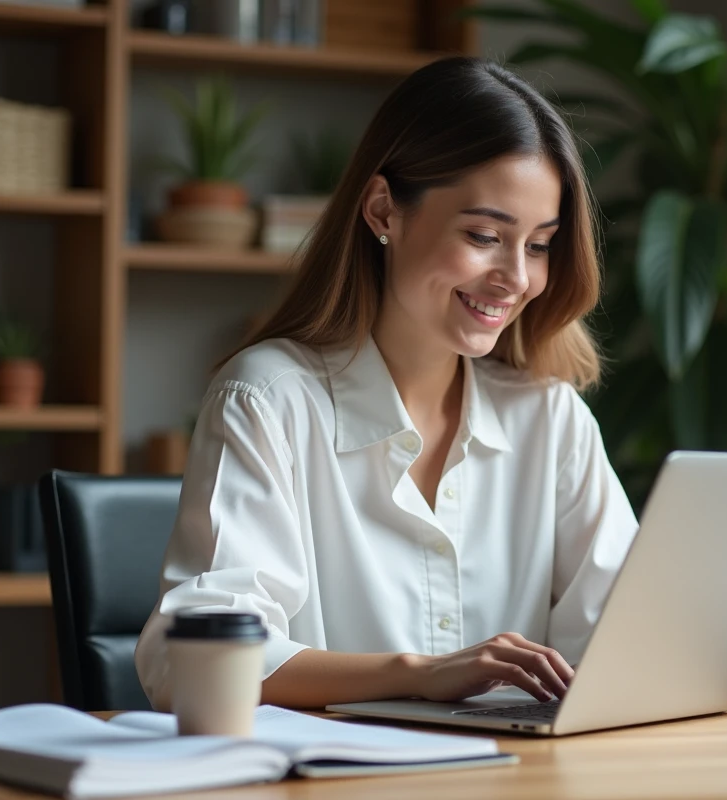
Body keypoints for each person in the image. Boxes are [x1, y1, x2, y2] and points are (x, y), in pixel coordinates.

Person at [135, 56, 639, 711]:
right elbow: (192, 661)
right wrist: (417, 673)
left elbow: (624, 642)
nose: (517, 277)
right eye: (485, 235)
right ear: (383, 210)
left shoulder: (550, 418)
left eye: (540, 245)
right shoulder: (268, 401)